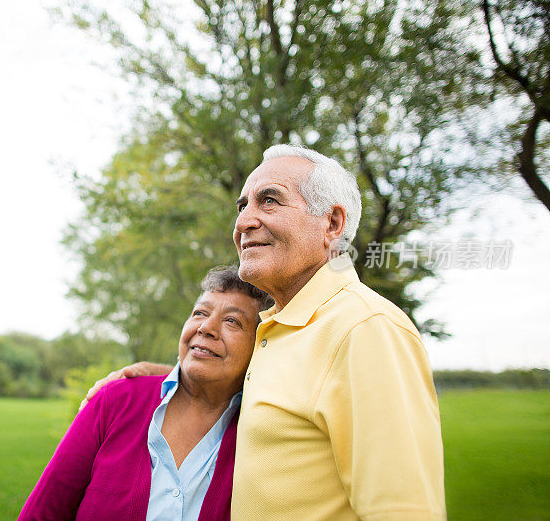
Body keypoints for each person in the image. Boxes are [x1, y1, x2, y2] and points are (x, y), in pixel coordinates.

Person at [84, 144, 446, 520]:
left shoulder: (365, 329)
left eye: (269, 201)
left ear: (332, 225)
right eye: (242, 207)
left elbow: (404, 511)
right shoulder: (279, 328)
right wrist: (172, 377)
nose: (243, 223)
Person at [18, 266, 273, 521]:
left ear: (259, 344)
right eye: (199, 313)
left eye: (232, 321)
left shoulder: (263, 433)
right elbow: (42, 513)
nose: (206, 327)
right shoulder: (114, 400)